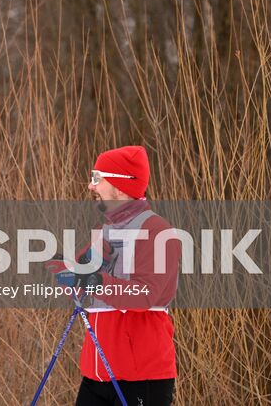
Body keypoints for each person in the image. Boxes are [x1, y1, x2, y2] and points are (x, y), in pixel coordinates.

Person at [48, 145, 178, 406]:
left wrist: (92, 280)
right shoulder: (105, 231)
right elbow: (81, 288)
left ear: (119, 187)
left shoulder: (157, 231)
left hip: (140, 376)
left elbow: (144, 295)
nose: (91, 186)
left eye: (97, 178)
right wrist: (67, 272)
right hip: (97, 373)